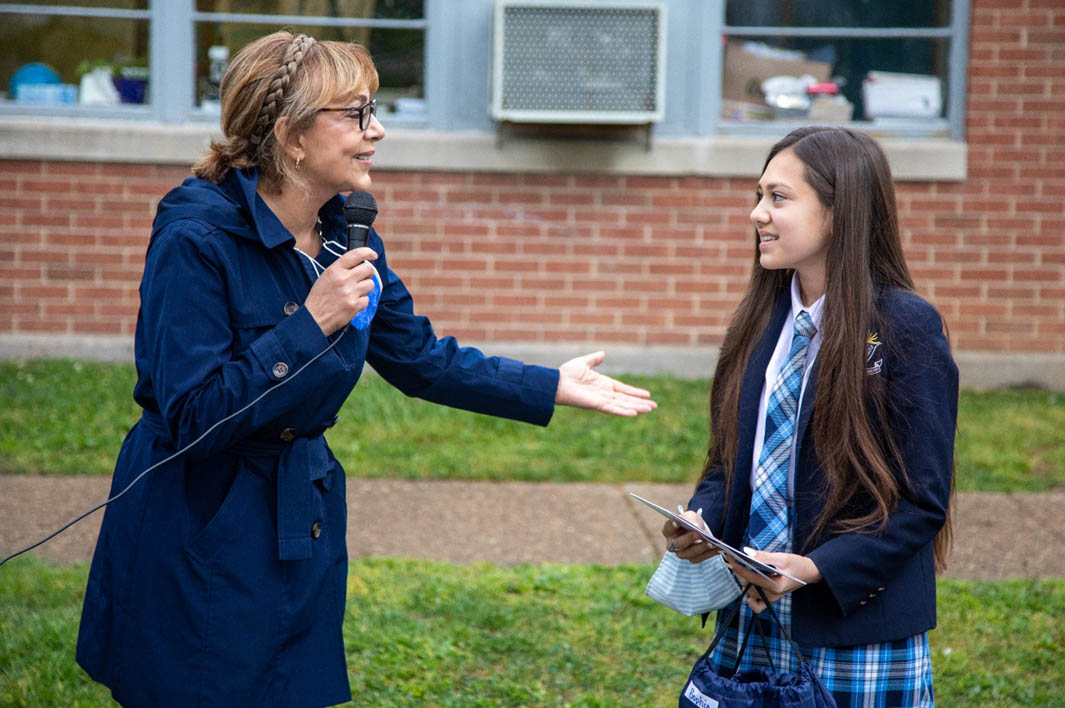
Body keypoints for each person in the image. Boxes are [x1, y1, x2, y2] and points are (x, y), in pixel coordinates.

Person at [76, 31, 656, 708]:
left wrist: (548, 384)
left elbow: (419, 359)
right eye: (354, 114)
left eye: (372, 110)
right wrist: (310, 322)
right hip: (201, 521)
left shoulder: (347, 235)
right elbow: (194, 417)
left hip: (300, 516)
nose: (376, 130)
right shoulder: (196, 240)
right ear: (291, 135)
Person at [663, 126, 957, 707]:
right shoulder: (757, 322)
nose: (757, 215)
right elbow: (731, 463)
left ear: (838, 210)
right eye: (758, 196)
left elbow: (922, 501)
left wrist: (813, 567)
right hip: (751, 621)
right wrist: (702, 522)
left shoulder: (903, 327)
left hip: (853, 631)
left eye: (778, 198)